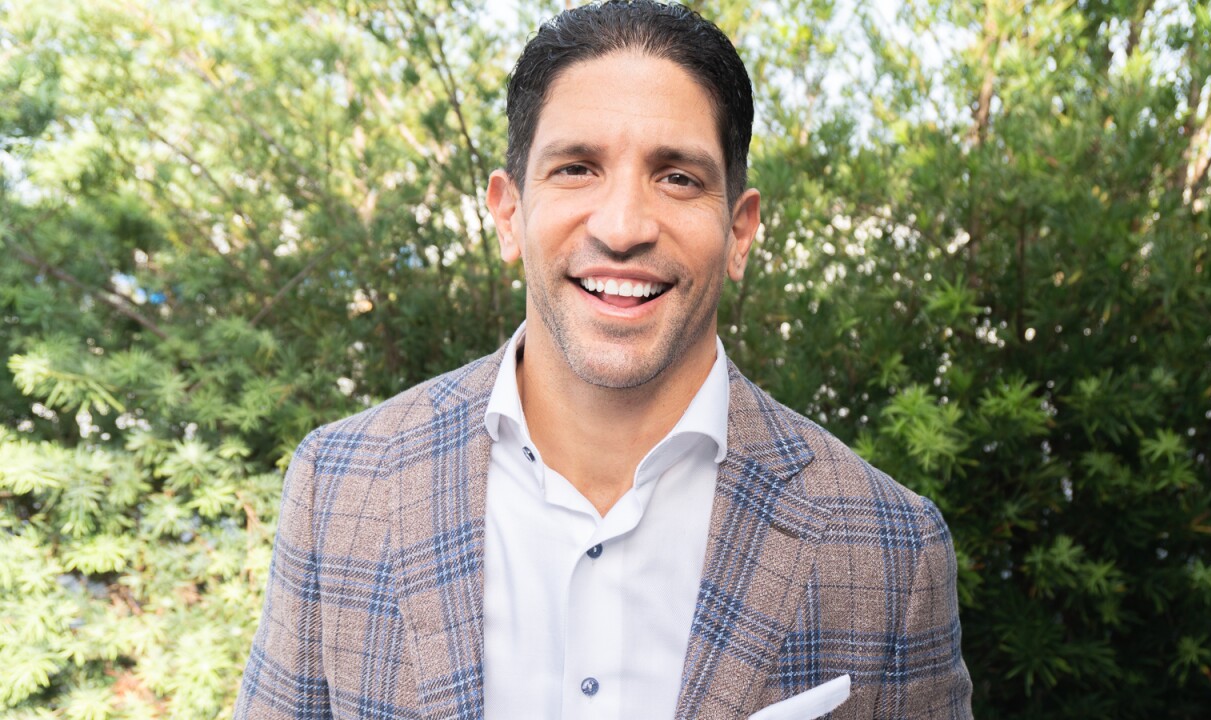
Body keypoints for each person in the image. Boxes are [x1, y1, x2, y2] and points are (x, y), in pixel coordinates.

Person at [233, 1, 972, 718]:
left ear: (739, 232)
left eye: (678, 177)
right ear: (509, 213)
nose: (622, 229)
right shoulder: (340, 486)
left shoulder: (890, 551)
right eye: (577, 168)